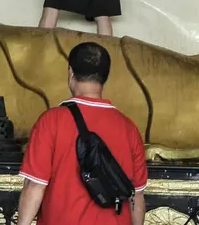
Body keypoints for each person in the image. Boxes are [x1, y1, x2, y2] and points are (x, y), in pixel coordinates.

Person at [16, 42, 147, 225]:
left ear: (70, 72)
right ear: (105, 77)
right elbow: (136, 196)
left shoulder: (51, 121)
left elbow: (35, 186)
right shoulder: (129, 128)